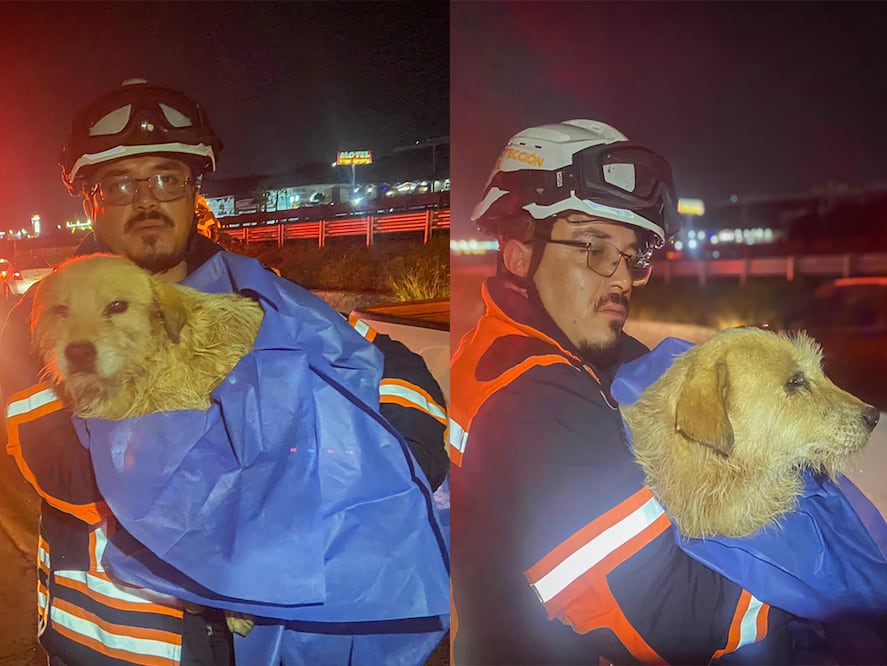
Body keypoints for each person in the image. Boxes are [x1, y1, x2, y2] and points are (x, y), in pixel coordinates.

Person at [1, 79, 449, 666]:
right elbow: (69, 475)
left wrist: (400, 454)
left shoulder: (261, 295)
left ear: (193, 190)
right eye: (118, 184)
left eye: (167, 177)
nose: (145, 201)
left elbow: (386, 360)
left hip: (267, 639)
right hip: (120, 644)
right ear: (89, 200)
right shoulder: (42, 317)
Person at [449, 119, 809, 664]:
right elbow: (674, 620)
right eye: (594, 248)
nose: (619, 279)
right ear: (520, 253)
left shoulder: (580, 355)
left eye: (633, 257)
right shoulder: (528, 402)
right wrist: (825, 598)